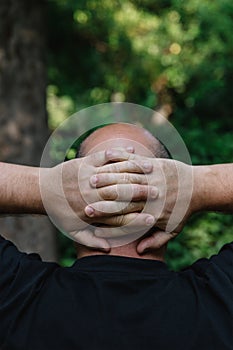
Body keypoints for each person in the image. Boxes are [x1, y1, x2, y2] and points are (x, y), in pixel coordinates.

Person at [0, 123, 232, 350]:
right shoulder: (221, 301)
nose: (120, 183)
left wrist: (44, 188)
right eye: (100, 177)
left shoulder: (16, 299)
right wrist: (198, 185)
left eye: (138, 175)